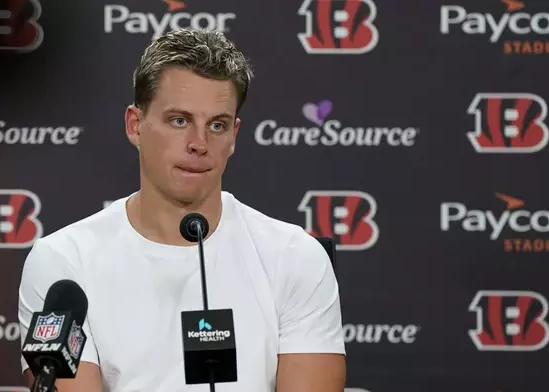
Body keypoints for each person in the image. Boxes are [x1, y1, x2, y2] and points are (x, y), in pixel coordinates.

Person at [18, 28, 346, 391]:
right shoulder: (64, 263)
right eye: (180, 121)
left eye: (217, 125)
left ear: (234, 135)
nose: (199, 144)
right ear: (135, 125)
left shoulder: (296, 256)